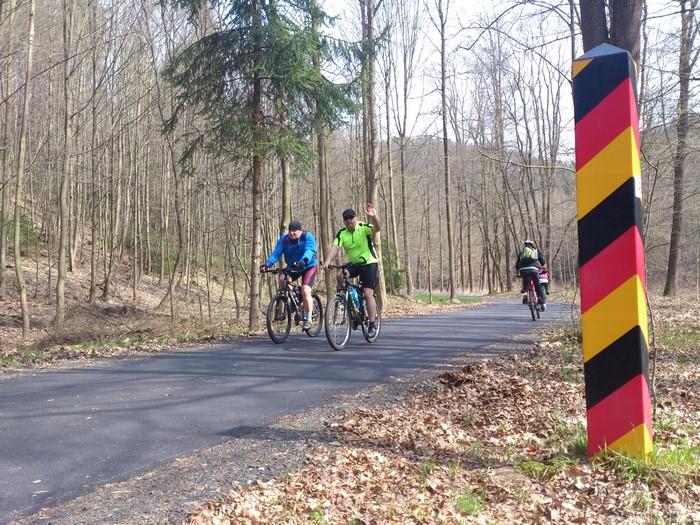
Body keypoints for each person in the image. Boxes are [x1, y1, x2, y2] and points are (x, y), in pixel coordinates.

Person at [322, 203, 381, 338]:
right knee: (340, 274)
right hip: (354, 264)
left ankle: (372, 324)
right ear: (344, 221)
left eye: (351, 217)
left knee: (367, 293)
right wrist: (327, 262)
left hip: (369, 263)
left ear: (356, 218)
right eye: (346, 218)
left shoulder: (363, 228)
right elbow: (335, 248)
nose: (349, 220)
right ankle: (343, 299)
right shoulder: (342, 233)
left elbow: (377, 228)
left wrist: (374, 216)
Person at [261, 220, 318, 330]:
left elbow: (310, 250)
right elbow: (277, 253)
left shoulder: (307, 237)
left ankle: (308, 319)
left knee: (305, 290)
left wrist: (303, 261)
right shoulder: (285, 239)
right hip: (293, 267)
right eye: (290, 230)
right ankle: (294, 300)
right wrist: (267, 264)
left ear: (300, 231)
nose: (292, 233)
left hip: (308, 266)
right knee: (282, 279)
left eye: (294, 231)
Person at [515, 239, 547, 311]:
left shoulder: (521, 253)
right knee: (537, 285)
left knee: (526, 280)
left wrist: (518, 272)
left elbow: (517, 265)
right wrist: (542, 266)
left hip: (523, 270)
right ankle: (541, 301)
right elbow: (542, 261)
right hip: (534, 269)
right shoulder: (536, 252)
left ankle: (525, 290)